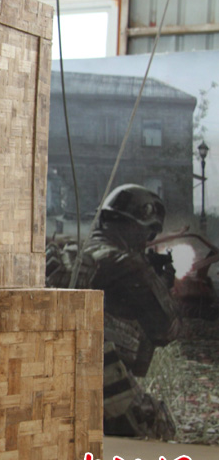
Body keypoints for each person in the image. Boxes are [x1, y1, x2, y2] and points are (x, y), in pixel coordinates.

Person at [46, 183, 180, 439]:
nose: (147, 241)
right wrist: (161, 285)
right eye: (148, 233)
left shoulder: (74, 254)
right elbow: (167, 328)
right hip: (102, 380)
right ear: (135, 227)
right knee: (158, 426)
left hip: (56, 374)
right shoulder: (129, 264)